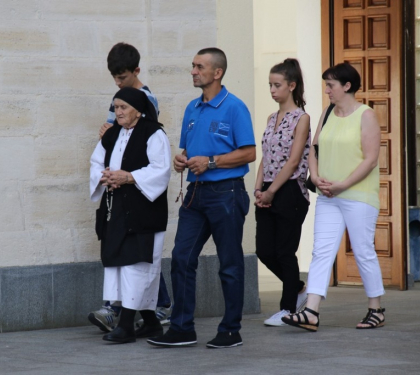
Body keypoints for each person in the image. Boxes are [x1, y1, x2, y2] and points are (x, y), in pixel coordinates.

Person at [147, 47, 256, 349]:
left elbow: (249, 152)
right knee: (181, 258)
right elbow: (188, 151)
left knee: (230, 263)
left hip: (226, 193)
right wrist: (181, 160)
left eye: (199, 67)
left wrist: (210, 161)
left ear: (217, 72)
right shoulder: (192, 109)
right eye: (192, 66)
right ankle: (182, 328)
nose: (193, 71)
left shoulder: (235, 107)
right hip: (195, 193)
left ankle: (231, 330)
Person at [282, 62, 385, 331]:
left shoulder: (366, 115)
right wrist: (315, 178)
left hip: (358, 195)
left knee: (363, 251)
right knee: (321, 251)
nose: (326, 90)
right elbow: (314, 149)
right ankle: (311, 311)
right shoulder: (327, 112)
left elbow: (371, 160)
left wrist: (343, 184)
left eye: (331, 85)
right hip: (328, 195)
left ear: (347, 86)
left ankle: (376, 309)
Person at [88, 42, 173, 333]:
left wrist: (128, 177)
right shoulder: (113, 135)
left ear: (138, 110)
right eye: (115, 107)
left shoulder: (153, 133)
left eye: (122, 107)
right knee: (120, 262)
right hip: (116, 210)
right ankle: (149, 321)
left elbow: (160, 168)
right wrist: (103, 176)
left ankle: (125, 323)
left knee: (139, 266)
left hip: (142, 211)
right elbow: (97, 160)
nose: (116, 112)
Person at [254, 59, 311, 327]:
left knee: (285, 251)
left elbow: (292, 161)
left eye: (277, 85)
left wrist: (272, 191)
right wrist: (258, 188)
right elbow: (265, 157)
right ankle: (298, 286)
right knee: (265, 251)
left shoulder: (302, 118)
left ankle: (288, 308)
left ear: (292, 85)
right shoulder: (270, 118)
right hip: (267, 188)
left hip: (290, 190)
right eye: (270, 85)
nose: (272, 90)